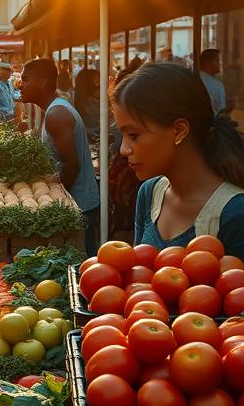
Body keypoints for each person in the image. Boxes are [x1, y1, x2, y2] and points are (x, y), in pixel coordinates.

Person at [111, 62, 244, 256]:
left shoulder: (235, 214)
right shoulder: (149, 193)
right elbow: (138, 276)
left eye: (133, 135)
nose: (123, 150)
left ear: (179, 130)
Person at [20, 58, 101, 252]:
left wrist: (53, 201)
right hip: (74, 206)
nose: (19, 84)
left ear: (42, 83)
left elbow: (72, 165)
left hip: (79, 207)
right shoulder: (50, 110)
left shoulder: (57, 114)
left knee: (82, 264)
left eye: (25, 79)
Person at [199, 48, 235, 115]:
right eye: (218, 60)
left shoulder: (194, 78)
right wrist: (229, 107)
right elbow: (220, 112)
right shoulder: (217, 86)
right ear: (208, 63)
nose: (221, 63)